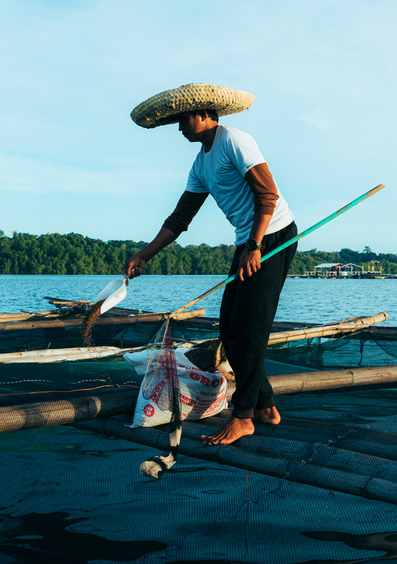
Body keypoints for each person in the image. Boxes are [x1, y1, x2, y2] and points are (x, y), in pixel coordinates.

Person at [124, 83, 297, 445]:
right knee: (232, 329)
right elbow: (180, 217)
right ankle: (264, 405)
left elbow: (268, 194)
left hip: (272, 236)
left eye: (182, 119)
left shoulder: (234, 140)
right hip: (248, 242)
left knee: (250, 329)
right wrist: (145, 254)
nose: (179, 128)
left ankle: (244, 417)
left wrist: (255, 245)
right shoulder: (201, 162)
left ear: (203, 114)